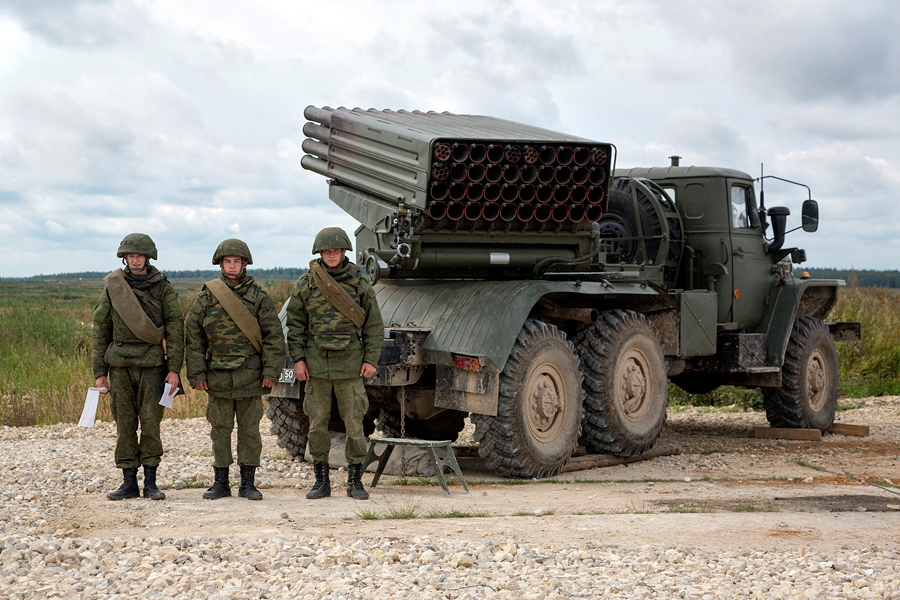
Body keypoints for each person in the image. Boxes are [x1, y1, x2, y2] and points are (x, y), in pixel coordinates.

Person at [286, 227, 383, 500]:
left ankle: (355, 482)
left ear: (343, 252)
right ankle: (321, 481)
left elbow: (374, 325)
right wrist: (298, 360)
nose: (331, 255)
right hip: (316, 367)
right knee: (317, 425)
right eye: (327, 251)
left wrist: (370, 359)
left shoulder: (359, 283)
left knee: (355, 425)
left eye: (336, 251)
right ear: (320, 253)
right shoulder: (306, 284)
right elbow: (295, 326)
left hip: (350, 366)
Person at [184, 239, 285, 501]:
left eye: (236, 261)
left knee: (250, 430)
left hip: (251, 376)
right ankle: (221, 483)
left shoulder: (258, 297)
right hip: (217, 376)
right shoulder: (207, 297)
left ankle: (248, 484)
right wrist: (197, 374)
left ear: (244, 264)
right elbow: (194, 337)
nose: (231, 266)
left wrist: (271, 372)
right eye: (227, 262)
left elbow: (274, 336)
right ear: (221, 264)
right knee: (220, 429)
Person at [92, 233, 184, 501]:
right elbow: (101, 330)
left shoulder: (161, 288)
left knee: (151, 423)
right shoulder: (113, 287)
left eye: (139, 256)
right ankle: (129, 482)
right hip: (120, 366)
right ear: (125, 258)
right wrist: (100, 373)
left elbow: (175, 330)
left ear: (148, 258)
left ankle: (151, 483)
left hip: (153, 365)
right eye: (131, 256)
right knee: (124, 424)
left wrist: (174, 369)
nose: (135, 260)